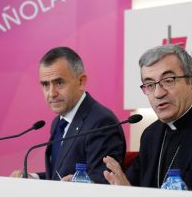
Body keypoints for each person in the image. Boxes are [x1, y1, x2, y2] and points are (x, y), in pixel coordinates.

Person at [103, 44, 192, 192]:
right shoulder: (150, 135)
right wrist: (123, 190)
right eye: (150, 84)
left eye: (168, 80)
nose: (158, 93)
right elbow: (131, 188)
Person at [10, 46, 126, 183]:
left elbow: (103, 183)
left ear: (81, 82)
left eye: (59, 83)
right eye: (45, 85)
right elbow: (58, 174)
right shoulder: (58, 122)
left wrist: (77, 185)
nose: (51, 93)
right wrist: (33, 178)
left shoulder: (102, 123)